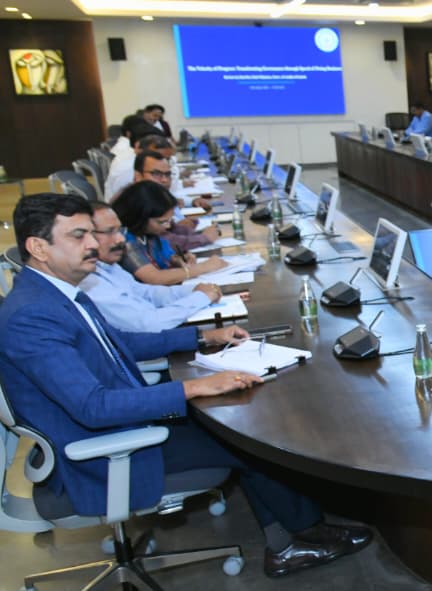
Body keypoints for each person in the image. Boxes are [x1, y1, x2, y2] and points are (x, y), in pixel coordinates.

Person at [0, 193, 373, 579]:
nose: (94, 244)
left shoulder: (56, 292)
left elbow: (119, 343)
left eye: (92, 233)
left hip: (116, 425)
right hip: (99, 456)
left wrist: (202, 337)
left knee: (241, 420)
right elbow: (94, 407)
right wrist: (194, 388)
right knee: (252, 440)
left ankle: (291, 536)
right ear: (38, 247)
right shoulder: (33, 316)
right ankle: (296, 539)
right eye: (78, 236)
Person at [80, 202, 226, 332]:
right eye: (109, 231)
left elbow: (145, 293)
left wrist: (192, 290)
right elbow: (149, 324)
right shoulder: (88, 281)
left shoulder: (104, 266)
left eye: (120, 230)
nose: (121, 239)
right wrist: (200, 297)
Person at [113, 180, 227, 286]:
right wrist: (203, 267)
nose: (167, 226)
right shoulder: (123, 238)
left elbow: (167, 254)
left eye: (169, 220)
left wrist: (176, 260)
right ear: (140, 217)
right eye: (162, 222)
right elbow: (154, 278)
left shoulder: (148, 231)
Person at [125, 150, 219, 251]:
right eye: (156, 174)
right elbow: (164, 240)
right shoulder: (136, 202)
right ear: (138, 176)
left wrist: (188, 227)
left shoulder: (155, 197)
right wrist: (204, 238)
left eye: (167, 174)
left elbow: (169, 230)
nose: (164, 180)